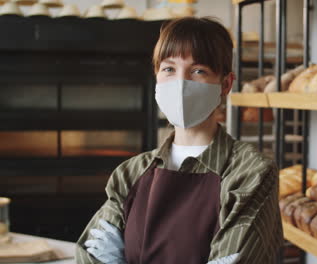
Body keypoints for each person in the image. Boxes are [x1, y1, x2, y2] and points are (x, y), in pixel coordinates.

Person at [75, 17, 283, 264]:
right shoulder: (130, 174)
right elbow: (93, 255)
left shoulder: (250, 173)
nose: (181, 84)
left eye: (198, 71)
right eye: (169, 69)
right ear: (156, 78)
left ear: (225, 84)